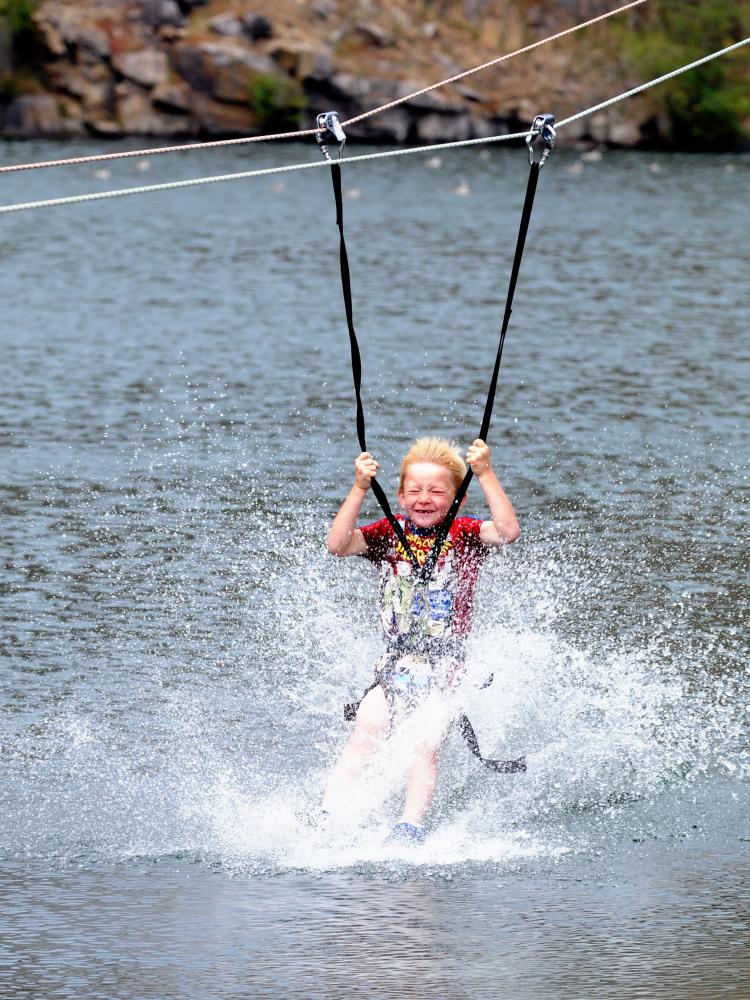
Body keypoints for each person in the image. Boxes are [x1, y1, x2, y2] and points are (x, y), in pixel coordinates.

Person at [321, 437, 520, 843]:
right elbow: (337, 545)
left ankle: (409, 826)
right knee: (365, 732)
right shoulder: (388, 533)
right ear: (399, 496)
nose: (424, 498)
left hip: (446, 666)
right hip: (395, 664)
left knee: (422, 745)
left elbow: (508, 531)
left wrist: (484, 473)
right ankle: (328, 814)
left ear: (458, 500)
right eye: (414, 490)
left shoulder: (464, 534)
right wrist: (359, 487)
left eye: (437, 491)